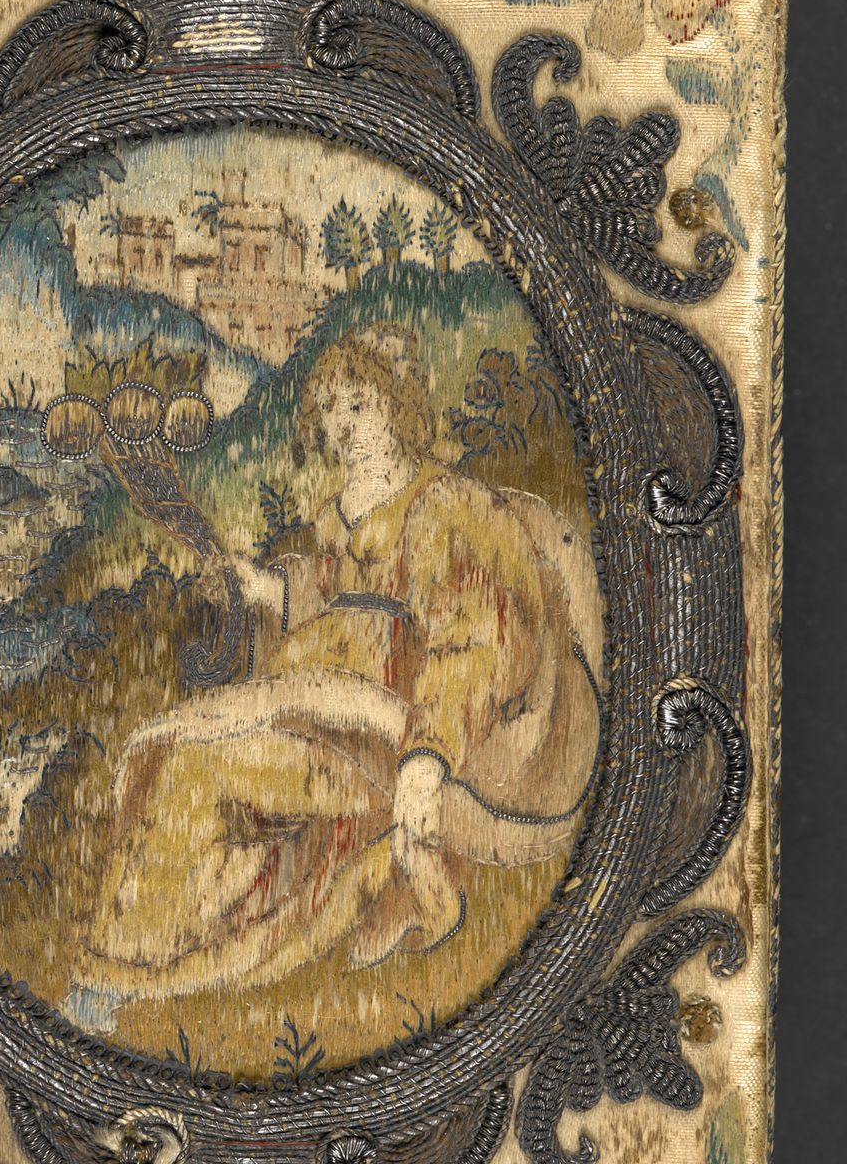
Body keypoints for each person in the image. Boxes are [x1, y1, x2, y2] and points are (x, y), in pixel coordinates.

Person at [77, 327, 602, 1003]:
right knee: (170, 748)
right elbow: (328, 602)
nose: (342, 426)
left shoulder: (445, 506)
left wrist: (426, 759)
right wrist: (264, 588)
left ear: (398, 404)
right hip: (311, 699)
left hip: (377, 733)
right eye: (329, 409)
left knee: (194, 770)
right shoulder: (343, 515)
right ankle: (166, 940)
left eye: (358, 404)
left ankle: (118, 974)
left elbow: (474, 647)